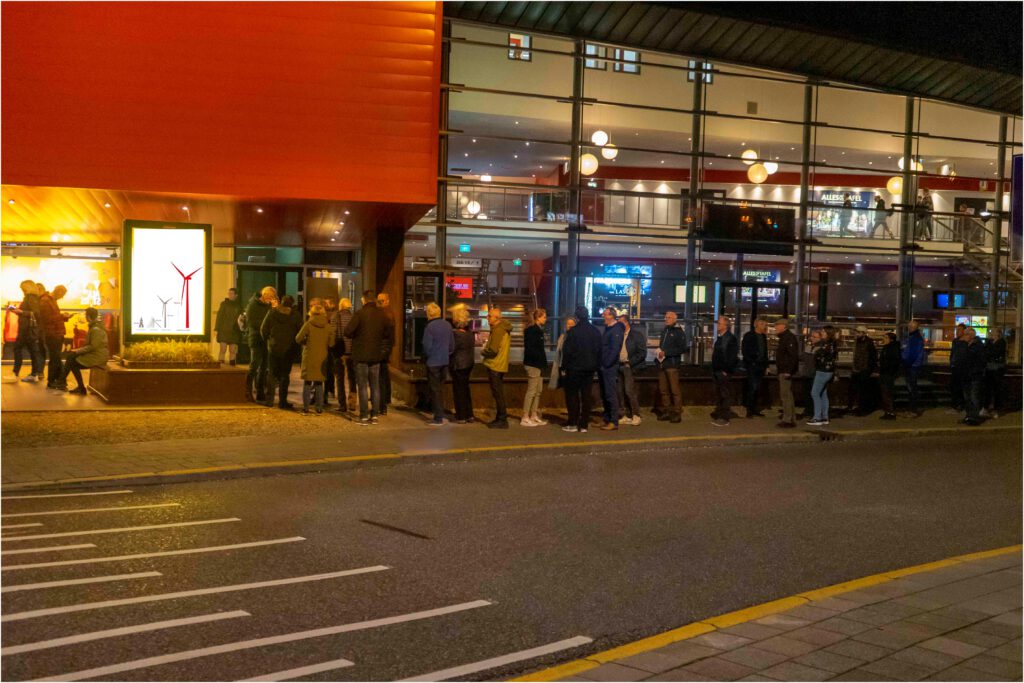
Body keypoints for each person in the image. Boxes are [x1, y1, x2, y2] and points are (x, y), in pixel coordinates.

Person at [346, 290, 392, 425]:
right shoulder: (382, 315)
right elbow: (387, 334)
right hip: (376, 355)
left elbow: (348, 331)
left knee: (362, 386)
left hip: (361, 355)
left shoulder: (360, 314)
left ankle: (364, 415)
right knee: (375, 386)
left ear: (364, 299)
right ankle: (374, 415)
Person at [560, 306, 601, 433]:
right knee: (586, 396)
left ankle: (573, 422)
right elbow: (599, 350)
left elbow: (567, 352)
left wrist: (564, 367)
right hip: (589, 369)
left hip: (574, 368)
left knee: (572, 396)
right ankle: (583, 424)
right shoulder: (595, 331)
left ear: (576, 317)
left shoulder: (573, 332)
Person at [54, 307, 108, 394]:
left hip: (97, 356)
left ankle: (64, 382)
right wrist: (78, 351)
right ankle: (66, 383)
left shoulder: (96, 329)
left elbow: (92, 346)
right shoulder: (95, 327)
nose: (85, 317)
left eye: (86, 315)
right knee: (71, 359)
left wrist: (78, 351)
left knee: (71, 360)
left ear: (89, 317)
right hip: (95, 354)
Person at [261, 294, 301, 410]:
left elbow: (263, 329)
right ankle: (283, 402)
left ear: (281, 302)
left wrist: (269, 341)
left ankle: (269, 400)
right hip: (288, 350)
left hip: (273, 348)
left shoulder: (272, 313)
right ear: (291, 304)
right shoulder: (295, 316)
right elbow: (300, 332)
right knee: (285, 375)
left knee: (272, 374)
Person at [295, 302, 335, 415]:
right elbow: (331, 344)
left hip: (309, 356)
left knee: (307, 383)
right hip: (322, 357)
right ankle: (319, 407)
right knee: (319, 383)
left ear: (311, 313)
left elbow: (298, 338)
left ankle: (306, 408)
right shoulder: (328, 326)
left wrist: (306, 342)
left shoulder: (308, 324)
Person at [422, 302, 454, 426]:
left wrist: (429, 356)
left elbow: (426, 346)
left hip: (433, 362)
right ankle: (440, 413)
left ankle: (438, 417)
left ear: (429, 314)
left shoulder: (429, 327)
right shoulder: (447, 325)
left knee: (434, 389)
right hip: (444, 361)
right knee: (440, 389)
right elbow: (452, 345)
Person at [244, 285, 277, 402]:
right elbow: (253, 322)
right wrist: (266, 327)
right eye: (271, 297)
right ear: (265, 295)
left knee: (264, 367)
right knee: (254, 365)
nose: (272, 299)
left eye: (273, 297)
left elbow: (275, 320)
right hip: (256, 339)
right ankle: (246, 391)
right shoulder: (253, 305)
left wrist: (274, 309)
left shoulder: (269, 307)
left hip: (266, 340)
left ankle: (260, 392)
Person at [481, 306, 512, 429]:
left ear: (497, 318)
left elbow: (493, 350)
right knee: (499, 393)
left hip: (495, 364)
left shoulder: (498, 330)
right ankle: (501, 418)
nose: (487, 317)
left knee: (498, 393)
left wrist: (484, 352)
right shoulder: (503, 327)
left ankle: (502, 419)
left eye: (489, 316)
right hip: (500, 364)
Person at [656, 311, 687, 423]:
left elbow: (683, 348)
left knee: (674, 390)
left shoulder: (678, 332)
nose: (666, 319)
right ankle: (667, 411)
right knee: (663, 390)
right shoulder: (665, 331)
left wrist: (666, 353)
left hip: (672, 365)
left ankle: (677, 412)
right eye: (665, 317)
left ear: (675, 319)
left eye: (669, 317)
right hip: (663, 364)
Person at [10, 280, 44, 382]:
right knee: (33, 351)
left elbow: (36, 313)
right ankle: (34, 374)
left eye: (23, 288)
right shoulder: (33, 298)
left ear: (28, 287)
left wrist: (21, 312)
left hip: (27, 330)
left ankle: (17, 373)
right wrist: (19, 312)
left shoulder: (30, 298)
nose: (22, 290)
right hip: (28, 330)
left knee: (20, 349)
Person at [39, 284, 70, 388]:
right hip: (52, 334)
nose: (62, 297)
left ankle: (59, 380)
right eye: (62, 294)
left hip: (57, 333)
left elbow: (53, 317)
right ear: (58, 291)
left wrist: (64, 317)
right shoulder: (45, 301)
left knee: (56, 357)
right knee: (55, 358)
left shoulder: (52, 300)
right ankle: (52, 381)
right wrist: (62, 316)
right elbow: (46, 319)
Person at [598, 307, 625, 431]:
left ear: (611, 316)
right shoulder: (610, 329)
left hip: (609, 367)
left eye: (605, 314)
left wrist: (606, 364)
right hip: (605, 366)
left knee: (610, 394)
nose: (603, 316)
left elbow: (614, 350)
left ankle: (613, 421)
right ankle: (607, 418)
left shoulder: (615, 330)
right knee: (605, 394)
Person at [521, 308, 549, 427]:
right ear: (538, 318)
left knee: (538, 391)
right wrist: (540, 362)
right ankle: (525, 416)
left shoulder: (536, 330)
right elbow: (533, 350)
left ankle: (533, 414)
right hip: (534, 364)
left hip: (538, 364)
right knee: (532, 391)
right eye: (544, 317)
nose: (545, 319)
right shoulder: (533, 331)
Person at [618, 314, 647, 426]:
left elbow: (642, 352)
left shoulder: (636, 335)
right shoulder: (619, 335)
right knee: (620, 391)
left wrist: (630, 362)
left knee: (629, 391)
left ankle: (636, 415)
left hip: (629, 366)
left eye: (621, 323)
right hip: (619, 365)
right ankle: (624, 415)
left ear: (626, 322)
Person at [711, 316, 739, 427]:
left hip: (723, 371)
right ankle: (720, 414)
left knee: (725, 394)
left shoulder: (730, 339)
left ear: (725, 325)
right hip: (718, 371)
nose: (717, 325)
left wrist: (726, 370)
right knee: (719, 394)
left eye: (719, 323)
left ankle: (724, 417)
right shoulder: (721, 338)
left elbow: (732, 357)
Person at [807, 325, 838, 426]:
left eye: (824, 332)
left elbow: (820, 355)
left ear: (829, 333)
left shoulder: (827, 344)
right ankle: (825, 417)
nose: (822, 333)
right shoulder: (833, 343)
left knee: (814, 393)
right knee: (823, 394)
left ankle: (817, 417)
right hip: (828, 371)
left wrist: (816, 352)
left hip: (822, 371)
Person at [450, 304, 476, 424]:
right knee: (466, 389)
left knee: (458, 390)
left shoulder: (455, 335)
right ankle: (469, 414)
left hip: (458, 364)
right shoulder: (470, 334)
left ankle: (461, 415)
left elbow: (451, 350)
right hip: (468, 363)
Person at [846, 326, 878, 415]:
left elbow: (872, 357)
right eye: (856, 332)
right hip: (856, 369)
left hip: (864, 370)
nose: (856, 334)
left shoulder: (869, 343)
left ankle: (862, 409)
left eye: (859, 332)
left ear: (863, 333)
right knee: (853, 389)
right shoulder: (857, 342)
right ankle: (853, 407)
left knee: (862, 391)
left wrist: (869, 370)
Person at [773, 318, 799, 428]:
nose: (775, 328)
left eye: (777, 326)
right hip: (784, 370)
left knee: (785, 396)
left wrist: (788, 370)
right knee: (788, 395)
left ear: (784, 326)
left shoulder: (788, 338)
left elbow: (792, 356)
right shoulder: (786, 337)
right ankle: (791, 418)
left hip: (785, 371)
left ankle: (787, 419)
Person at [741, 318, 769, 418]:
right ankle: (749, 410)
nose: (764, 326)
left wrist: (766, 366)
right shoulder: (749, 336)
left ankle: (754, 409)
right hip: (752, 365)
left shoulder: (763, 337)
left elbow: (765, 352)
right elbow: (745, 350)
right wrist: (751, 362)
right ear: (756, 325)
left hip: (761, 365)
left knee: (757, 388)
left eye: (765, 324)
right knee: (752, 387)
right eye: (762, 324)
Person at [332, 298, 355, 412]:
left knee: (340, 379)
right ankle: (352, 403)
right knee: (352, 378)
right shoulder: (354, 317)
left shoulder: (336, 317)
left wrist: (332, 347)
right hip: (352, 352)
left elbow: (333, 333)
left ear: (340, 306)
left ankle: (342, 404)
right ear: (349, 306)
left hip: (340, 351)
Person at [961, 327, 986, 426]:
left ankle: (974, 417)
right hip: (967, 374)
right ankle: (969, 416)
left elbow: (978, 360)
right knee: (967, 397)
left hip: (974, 375)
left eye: (966, 334)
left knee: (974, 396)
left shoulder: (977, 346)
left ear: (970, 335)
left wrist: (976, 370)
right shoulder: (968, 345)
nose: (964, 336)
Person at [902, 319, 927, 416]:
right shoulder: (915, 337)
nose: (909, 328)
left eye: (910, 326)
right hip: (913, 365)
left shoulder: (914, 338)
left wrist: (905, 362)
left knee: (912, 388)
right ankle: (911, 409)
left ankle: (913, 410)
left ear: (914, 327)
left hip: (912, 366)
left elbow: (911, 354)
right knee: (912, 388)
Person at [376, 292, 395, 415]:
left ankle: (382, 404)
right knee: (383, 376)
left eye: (382, 300)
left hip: (383, 349)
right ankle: (384, 401)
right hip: (385, 349)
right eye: (379, 300)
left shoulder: (386, 314)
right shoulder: (386, 313)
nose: (380, 303)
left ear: (387, 301)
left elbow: (387, 335)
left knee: (381, 378)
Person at [215, 288, 243, 366]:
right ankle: (220, 366)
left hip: (234, 330)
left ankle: (232, 366)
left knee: (233, 350)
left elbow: (241, 318)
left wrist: (241, 328)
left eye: (231, 293)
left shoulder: (239, 305)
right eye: (229, 293)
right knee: (222, 349)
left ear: (236, 295)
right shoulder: (224, 304)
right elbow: (219, 316)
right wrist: (216, 328)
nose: (230, 295)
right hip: (224, 330)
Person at [797, 329, 820, 419]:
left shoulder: (820, 348)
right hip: (806, 373)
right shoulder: (809, 346)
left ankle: (814, 411)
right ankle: (808, 410)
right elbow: (802, 357)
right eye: (812, 336)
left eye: (814, 337)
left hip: (814, 374)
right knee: (806, 393)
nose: (812, 338)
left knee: (814, 394)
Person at [984, 328, 1007, 418]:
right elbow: (985, 352)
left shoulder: (1001, 342)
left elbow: (996, 353)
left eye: (993, 332)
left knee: (996, 388)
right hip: (989, 367)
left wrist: (990, 353)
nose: (991, 334)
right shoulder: (989, 342)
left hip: (997, 368)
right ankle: (986, 407)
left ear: (997, 333)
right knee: (987, 388)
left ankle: (996, 409)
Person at [878, 332, 901, 420]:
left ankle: (890, 412)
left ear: (891, 339)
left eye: (886, 337)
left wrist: (885, 368)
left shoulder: (892, 348)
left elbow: (894, 362)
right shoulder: (887, 347)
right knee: (885, 393)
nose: (884, 339)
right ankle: (888, 411)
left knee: (887, 393)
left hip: (888, 374)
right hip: (885, 373)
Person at [549, 316, 576, 391]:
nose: (570, 326)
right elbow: (559, 351)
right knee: (563, 388)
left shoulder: (576, 337)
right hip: (562, 365)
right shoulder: (562, 337)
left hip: (572, 367)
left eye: (572, 324)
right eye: (568, 324)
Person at [947, 323, 968, 414]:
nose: (957, 332)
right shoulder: (955, 341)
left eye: (959, 330)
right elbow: (953, 353)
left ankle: (960, 405)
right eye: (957, 330)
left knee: (960, 387)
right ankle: (955, 405)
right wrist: (951, 362)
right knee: (953, 387)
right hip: (955, 367)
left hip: (962, 368)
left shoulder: (966, 342)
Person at [323, 298, 338, 402]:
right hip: (331, 345)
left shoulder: (330, 315)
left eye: (326, 303)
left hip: (328, 344)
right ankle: (330, 390)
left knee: (328, 369)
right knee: (330, 369)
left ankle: (328, 390)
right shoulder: (335, 314)